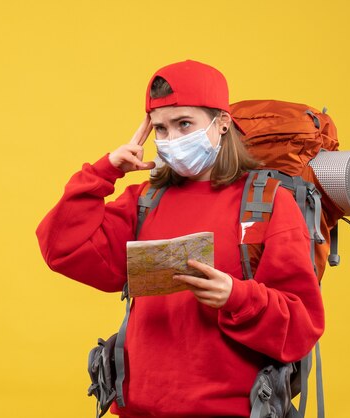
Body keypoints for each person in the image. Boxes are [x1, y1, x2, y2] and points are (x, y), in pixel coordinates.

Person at [36, 60, 324, 417]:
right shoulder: (145, 201)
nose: (171, 140)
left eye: (184, 124)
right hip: (139, 410)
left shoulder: (267, 204)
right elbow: (60, 247)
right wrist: (105, 170)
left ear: (221, 124)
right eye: (160, 129)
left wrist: (236, 296)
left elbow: (302, 326)